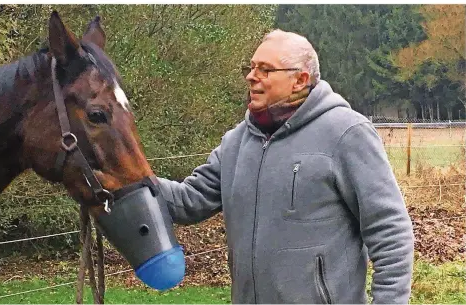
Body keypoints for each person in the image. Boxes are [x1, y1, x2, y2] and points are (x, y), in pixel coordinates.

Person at [156, 29, 414, 304]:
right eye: (251, 67)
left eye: (265, 70)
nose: (251, 76)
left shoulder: (346, 133)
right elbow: (187, 201)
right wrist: (124, 177)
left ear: (299, 80)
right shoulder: (236, 142)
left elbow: (390, 232)